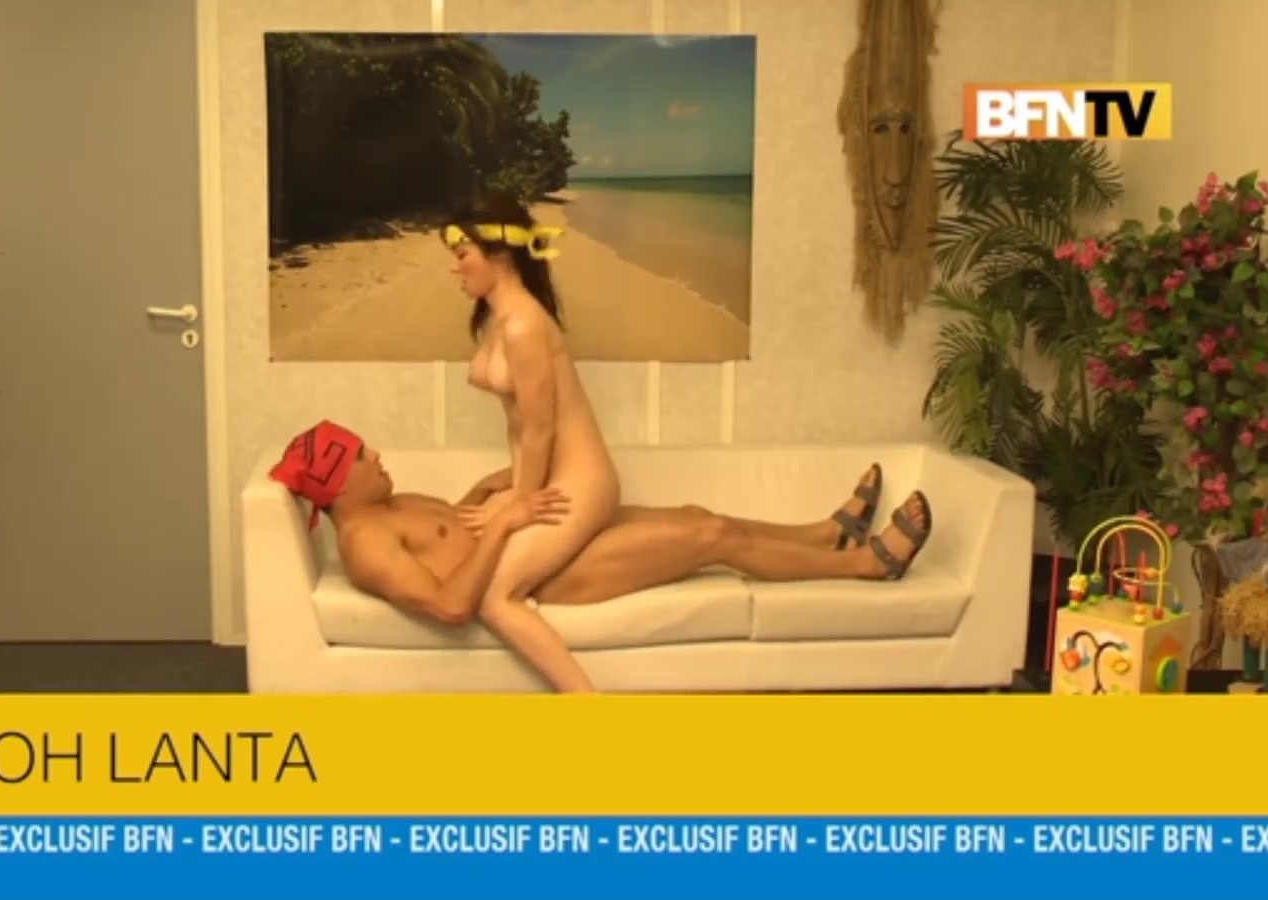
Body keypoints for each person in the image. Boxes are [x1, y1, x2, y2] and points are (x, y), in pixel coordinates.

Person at [268, 422, 935, 692]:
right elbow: (449, 604)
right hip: (552, 575)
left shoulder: (394, 503)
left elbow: (453, 531)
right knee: (709, 538)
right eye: (361, 456)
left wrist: (493, 491)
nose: (377, 455)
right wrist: (508, 526)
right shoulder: (365, 546)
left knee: (697, 515)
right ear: (336, 482)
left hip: (536, 541)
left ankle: (821, 534)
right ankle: (865, 565)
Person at [433, 194, 622, 692]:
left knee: (493, 597)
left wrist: (519, 503)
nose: (454, 268)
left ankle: (586, 702)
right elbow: (519, 427)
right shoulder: (500, 319)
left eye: (462, 255)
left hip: (580, 482)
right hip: (545, 474)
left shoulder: (523, 325)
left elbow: (541, 429)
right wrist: (513, 487)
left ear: (499, 254)